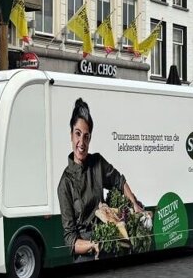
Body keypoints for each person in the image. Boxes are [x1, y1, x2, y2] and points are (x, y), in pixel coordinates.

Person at [57, 98, 148, 261]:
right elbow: (70, 240)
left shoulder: (97, 163)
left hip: (109, 241)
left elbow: (119, 181)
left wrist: (134, 204)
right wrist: (92, 244)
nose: (82, 142)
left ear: (90, 138)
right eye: (78, 134)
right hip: (86, 251)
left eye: (86, 136)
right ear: (71, 135)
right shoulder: (65, 183)